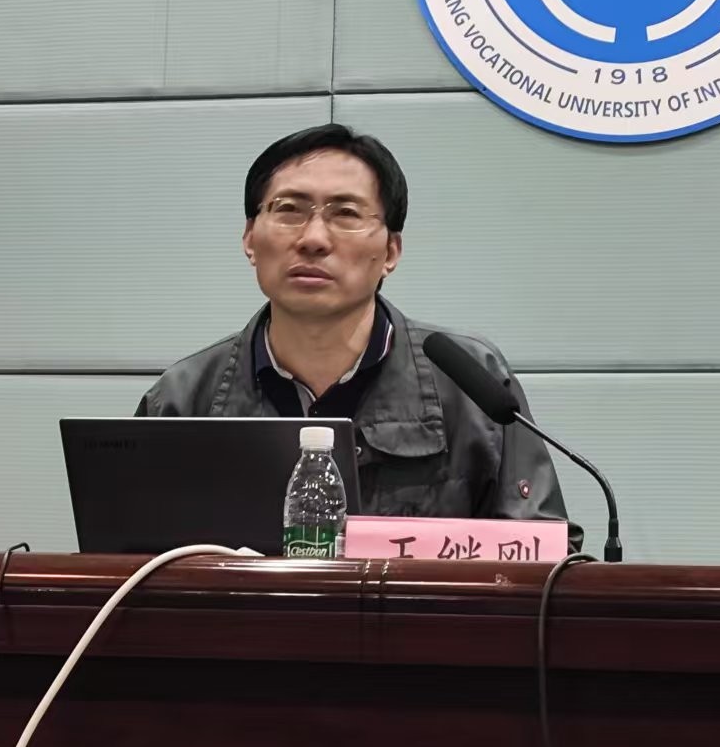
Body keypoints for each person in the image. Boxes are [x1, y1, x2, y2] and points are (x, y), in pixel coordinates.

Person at [136, 123, 573, 540]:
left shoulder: (470, 386)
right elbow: (127, 563)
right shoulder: (183, 398)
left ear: (391, 251)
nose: (313, 239)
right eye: (288, 210)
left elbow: (543, 552)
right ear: (250, 238)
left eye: (345, 213)